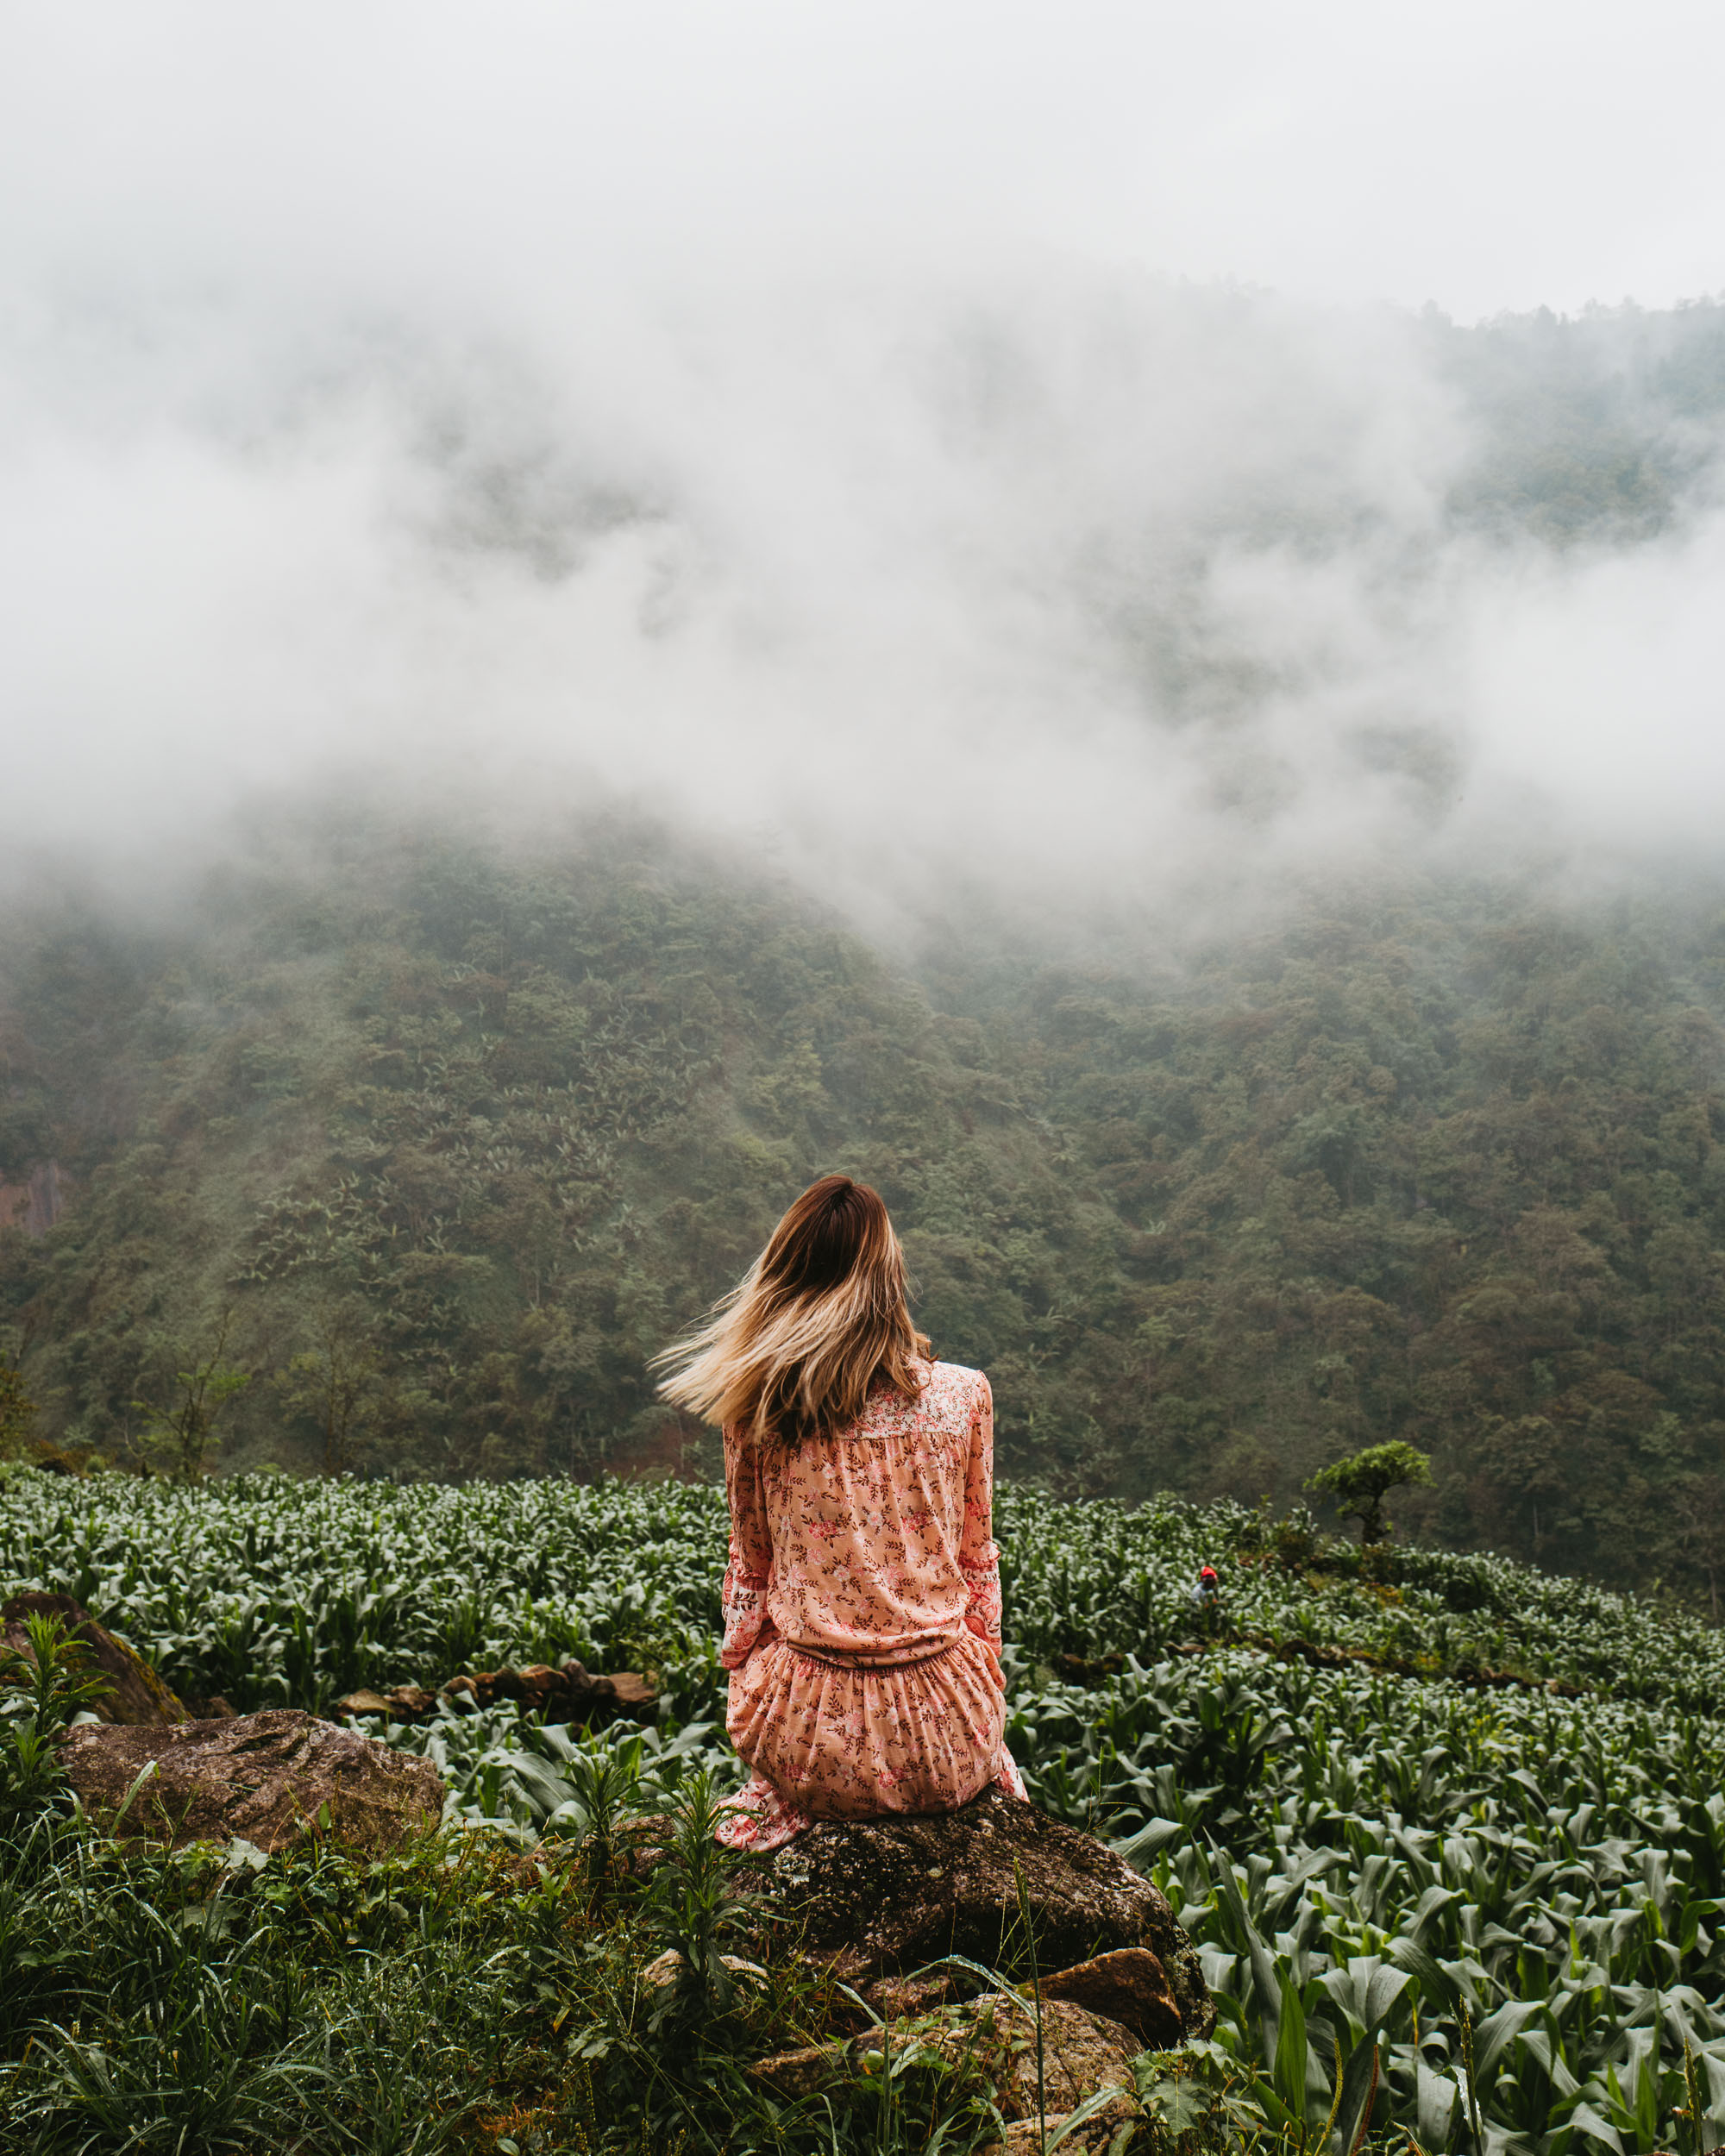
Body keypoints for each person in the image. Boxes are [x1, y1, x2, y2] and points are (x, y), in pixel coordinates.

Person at [654, 1174, 1028, 1851]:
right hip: (948, 1740)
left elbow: (751, 1579)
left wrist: (757, 1666)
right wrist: (968, 1683)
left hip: (810, 1746)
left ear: (788, 1277)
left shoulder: (760, 1409)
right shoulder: (966, 1395)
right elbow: (978, 1568)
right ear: (888, 1275)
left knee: (763, 1657)